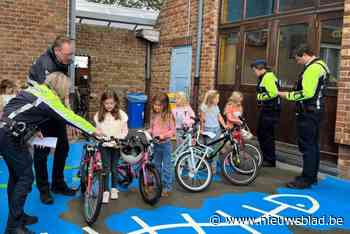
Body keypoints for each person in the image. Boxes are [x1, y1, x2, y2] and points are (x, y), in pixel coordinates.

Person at [0, 72, 102, 234]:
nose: (66, 93)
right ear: (60, 87)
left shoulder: (35, 89)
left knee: (16, 176)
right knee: (25, 177)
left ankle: (17, 216)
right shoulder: (49, 97)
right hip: (10, 137)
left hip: (6, 132)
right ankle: (13, 227)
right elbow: (68, 116)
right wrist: (93, 130)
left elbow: (18, 109)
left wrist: (33, 129)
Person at [28, 36, 75, 204]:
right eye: (68, 54)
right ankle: (44, 189)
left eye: (71, 54)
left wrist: (69, 114)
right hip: (42, 115)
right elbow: (47, 98)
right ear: (57, 51)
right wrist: (68, 117)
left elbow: (64, 91)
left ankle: (58, 184)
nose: (70, 58)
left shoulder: (63, 63)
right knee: (42, 153)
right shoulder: (44, 65)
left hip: (56, 113)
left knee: (63, 148)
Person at [279, 44, 329, 189]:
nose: (297, 62)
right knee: (312, 146)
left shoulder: (312, 68)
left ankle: (306, 179)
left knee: (307, 146)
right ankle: (310, 176)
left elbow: (307, 93)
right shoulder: (322, 65)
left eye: (298, 59)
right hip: (316, 111)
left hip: (308, 112)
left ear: (305, 54)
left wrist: (286, 95)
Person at [94, 89, 128, 204]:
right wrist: (99, 136)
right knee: (106, 168)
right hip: (104, 145)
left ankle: (114, 188)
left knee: (114, 168)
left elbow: (125, 130)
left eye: (111, 103)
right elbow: (97, 130)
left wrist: (120, 138)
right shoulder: (99, 115)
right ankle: (105, 191)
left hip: (116, 145)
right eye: (107, 103)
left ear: (116, 103)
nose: (109, 106)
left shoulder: (121, 115)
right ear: (103, 103)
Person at [251, 60, 281, 168]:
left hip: (270, 110)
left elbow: (273, 93)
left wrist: (259, 97)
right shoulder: (267, 76)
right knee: (265, 134)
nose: (254, 73)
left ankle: (269, 159)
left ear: (260, 69)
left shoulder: (268, 77)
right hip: (270, 109)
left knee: (265, 134)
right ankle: (268, 158)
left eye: (255, 70)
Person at [148, 93, 176, 197]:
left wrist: (163, 136)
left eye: (159, 105)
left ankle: (167, 187)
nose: (157, 107)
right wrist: (147, 132)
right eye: (155, 105)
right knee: (156, 166)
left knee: (167, 167)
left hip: (166, 145)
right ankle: (157, 184)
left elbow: (172, 131)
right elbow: (152, 128)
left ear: (165, 105)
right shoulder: (153, 115)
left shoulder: (168, 115)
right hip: (156, 144)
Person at [200, 90, 227, 174]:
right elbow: (202, 119)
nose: (218, 100)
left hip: (217, 129)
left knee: (216, 149)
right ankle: (206, 166)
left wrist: (225, 125)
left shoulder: (216, 107)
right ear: (212, 99)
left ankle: (213, 168)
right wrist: (202, 129)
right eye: (217, 98)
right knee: (209, 149)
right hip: (208, 130)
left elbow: (220, 117)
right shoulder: (204, 107)